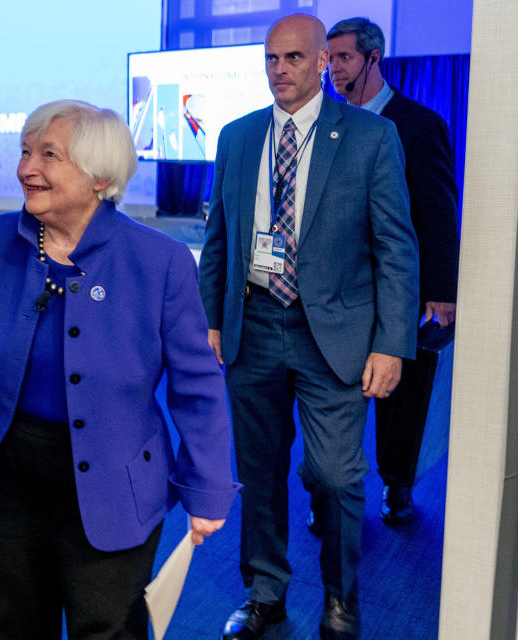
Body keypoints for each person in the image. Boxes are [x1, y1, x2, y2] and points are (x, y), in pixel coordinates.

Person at [0, 99, 239, 639]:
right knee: (7, 625)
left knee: (107, 625)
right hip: (5, 467)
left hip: (114, 473)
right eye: (25, 151)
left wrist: (208, 485)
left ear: (99, 177)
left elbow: (197, 384)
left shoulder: (160, 261)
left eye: (49, 155)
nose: (27, 168)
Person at [198, 14, 419, 640]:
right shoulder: (238, 138)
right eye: (271, 59)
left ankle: (341, 599)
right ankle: (264, 593)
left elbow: (396, 248)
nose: (280, 71)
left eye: (294, 58)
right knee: (260, 469)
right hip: (255, 325)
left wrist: (391, 343)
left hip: (338, 336)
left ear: (324, 60)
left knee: (335, 475)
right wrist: (210, 318)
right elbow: (220, 237)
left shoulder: (372, 137)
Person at [327, 17, 460, 526]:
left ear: (373, 59)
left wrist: (442, 290)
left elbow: (440, 212)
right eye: (330, 59)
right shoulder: (326, 125)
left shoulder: (419, 125)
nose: (335, 70)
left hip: (397, 286)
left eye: (344, 58)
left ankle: (397, 484)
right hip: (338, 288)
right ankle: (332, 491)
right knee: (336, 390)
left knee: (398, 391)